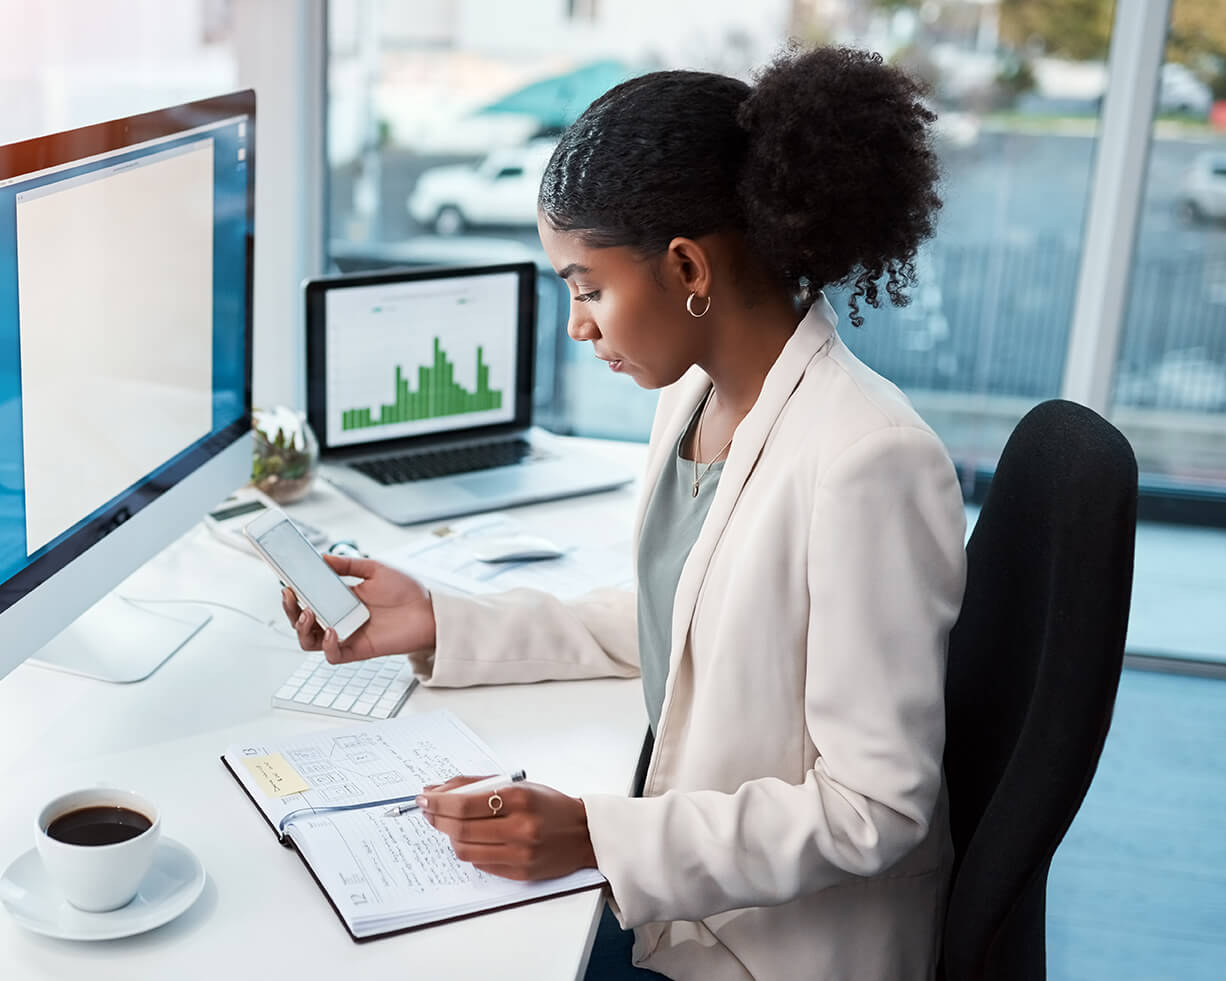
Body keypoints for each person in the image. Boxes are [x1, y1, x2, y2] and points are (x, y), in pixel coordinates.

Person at [282, 45, 964, 981]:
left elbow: (876, 809)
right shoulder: (692, 399)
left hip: (770, 947)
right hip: (689, 902)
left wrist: (602, 837)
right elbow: (673, 622)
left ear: (686, 265)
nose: (578, 324)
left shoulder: (869, 459)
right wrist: (438, 616)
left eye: (587, 286)